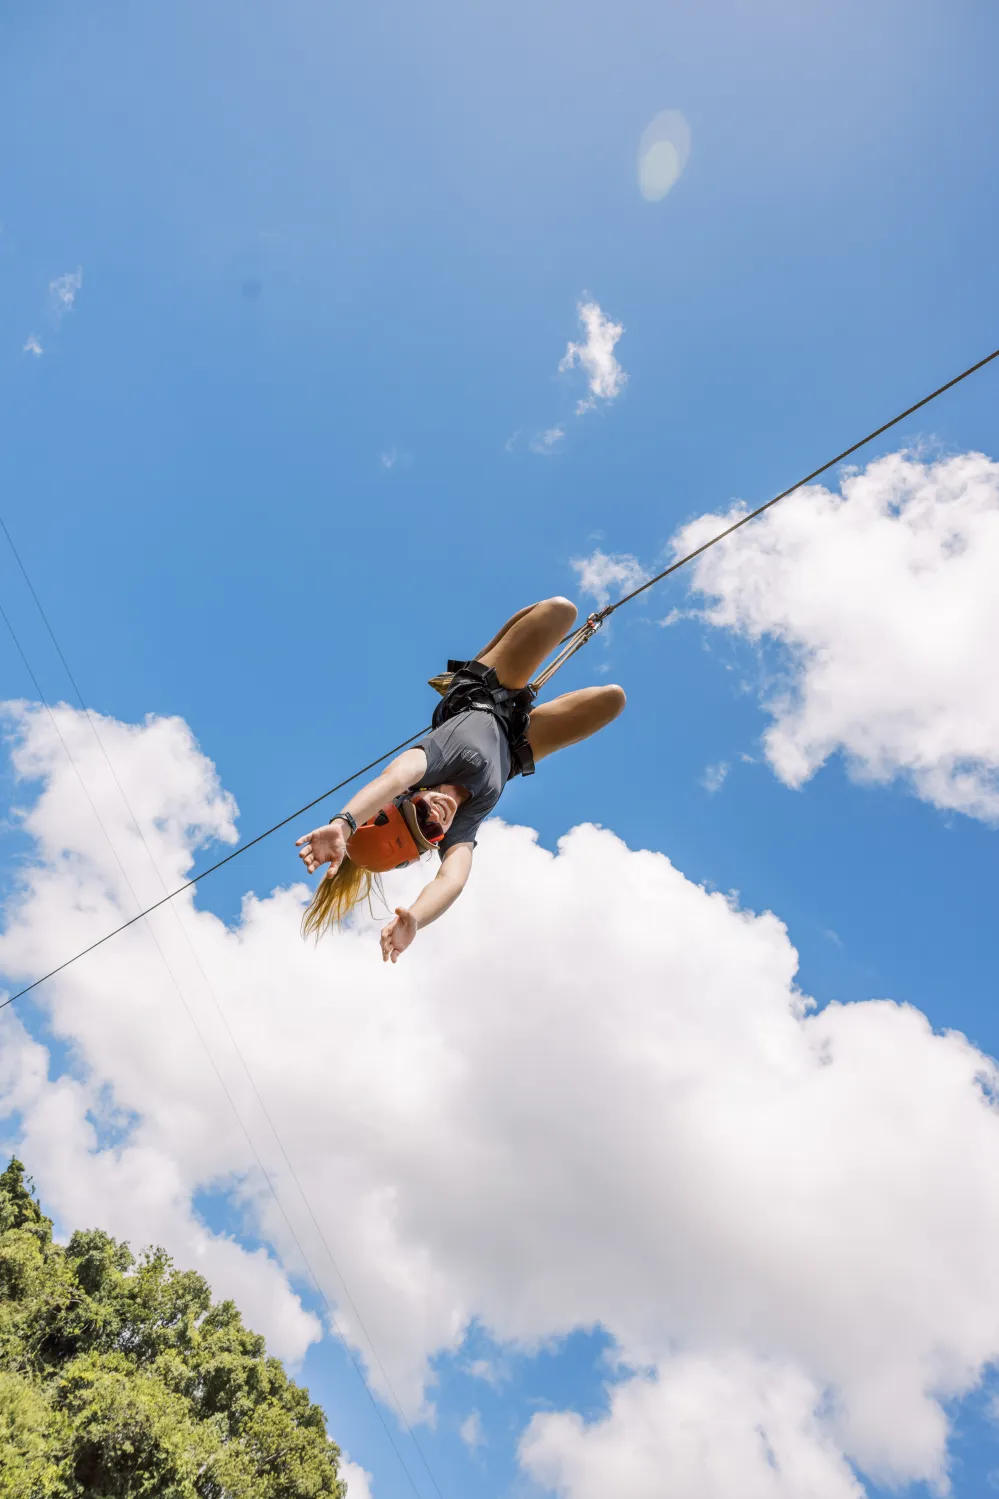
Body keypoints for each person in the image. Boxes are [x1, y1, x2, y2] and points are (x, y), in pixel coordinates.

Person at [295, 598, 625, 964]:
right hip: (517, 744)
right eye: (431, 833)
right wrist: (417, 918)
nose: (436, 819)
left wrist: (344, 823)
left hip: (483, 690)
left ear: (408, 796)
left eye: (420, 815)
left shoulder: (427, 763)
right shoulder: (461, 830)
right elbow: (451, 880)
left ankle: (493, 653)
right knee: (612, 700)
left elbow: (391, 779)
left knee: (561, 611)